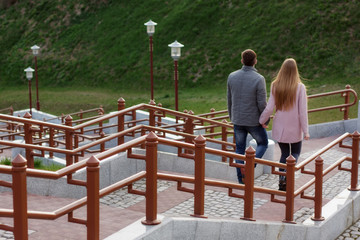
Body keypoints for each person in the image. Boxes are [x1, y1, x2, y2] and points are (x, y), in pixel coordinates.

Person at [259, 58, 310, 191]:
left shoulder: (276, 85)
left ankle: (282, 178)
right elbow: (302, 112)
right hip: (295, 127)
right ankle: (288, 177)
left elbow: (270, 107)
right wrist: (306, 131)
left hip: (280, 127)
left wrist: (261, 120)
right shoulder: (300, 88)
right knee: (295, 153)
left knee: (284, 153)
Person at [227, 49, 269, 184]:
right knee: (263, 143)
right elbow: (262, 104)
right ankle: (250, 167)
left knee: (239, 148)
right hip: (253, 121)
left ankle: (241, 179)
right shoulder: (259, 79)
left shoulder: (232, 76)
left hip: (237, 120)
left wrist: (231, 116)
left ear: (242, 61)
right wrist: (266, 119)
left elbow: (229, 99)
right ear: (255, 61)